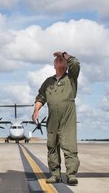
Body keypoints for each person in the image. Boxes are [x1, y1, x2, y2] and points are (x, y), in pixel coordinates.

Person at [32, 51, 80, 186]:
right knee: (52, 147)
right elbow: (41, 96)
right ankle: (55, 174)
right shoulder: (48, 82)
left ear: (66, 65)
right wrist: (36, 109)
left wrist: (64, 54)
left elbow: (75, 63)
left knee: (69, 147)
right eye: (57, 59)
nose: (59, 60)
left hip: (67, 119)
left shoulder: (71, 79)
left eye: (61, 59)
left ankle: (71, 175)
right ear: (53, 65)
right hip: (52, 119)